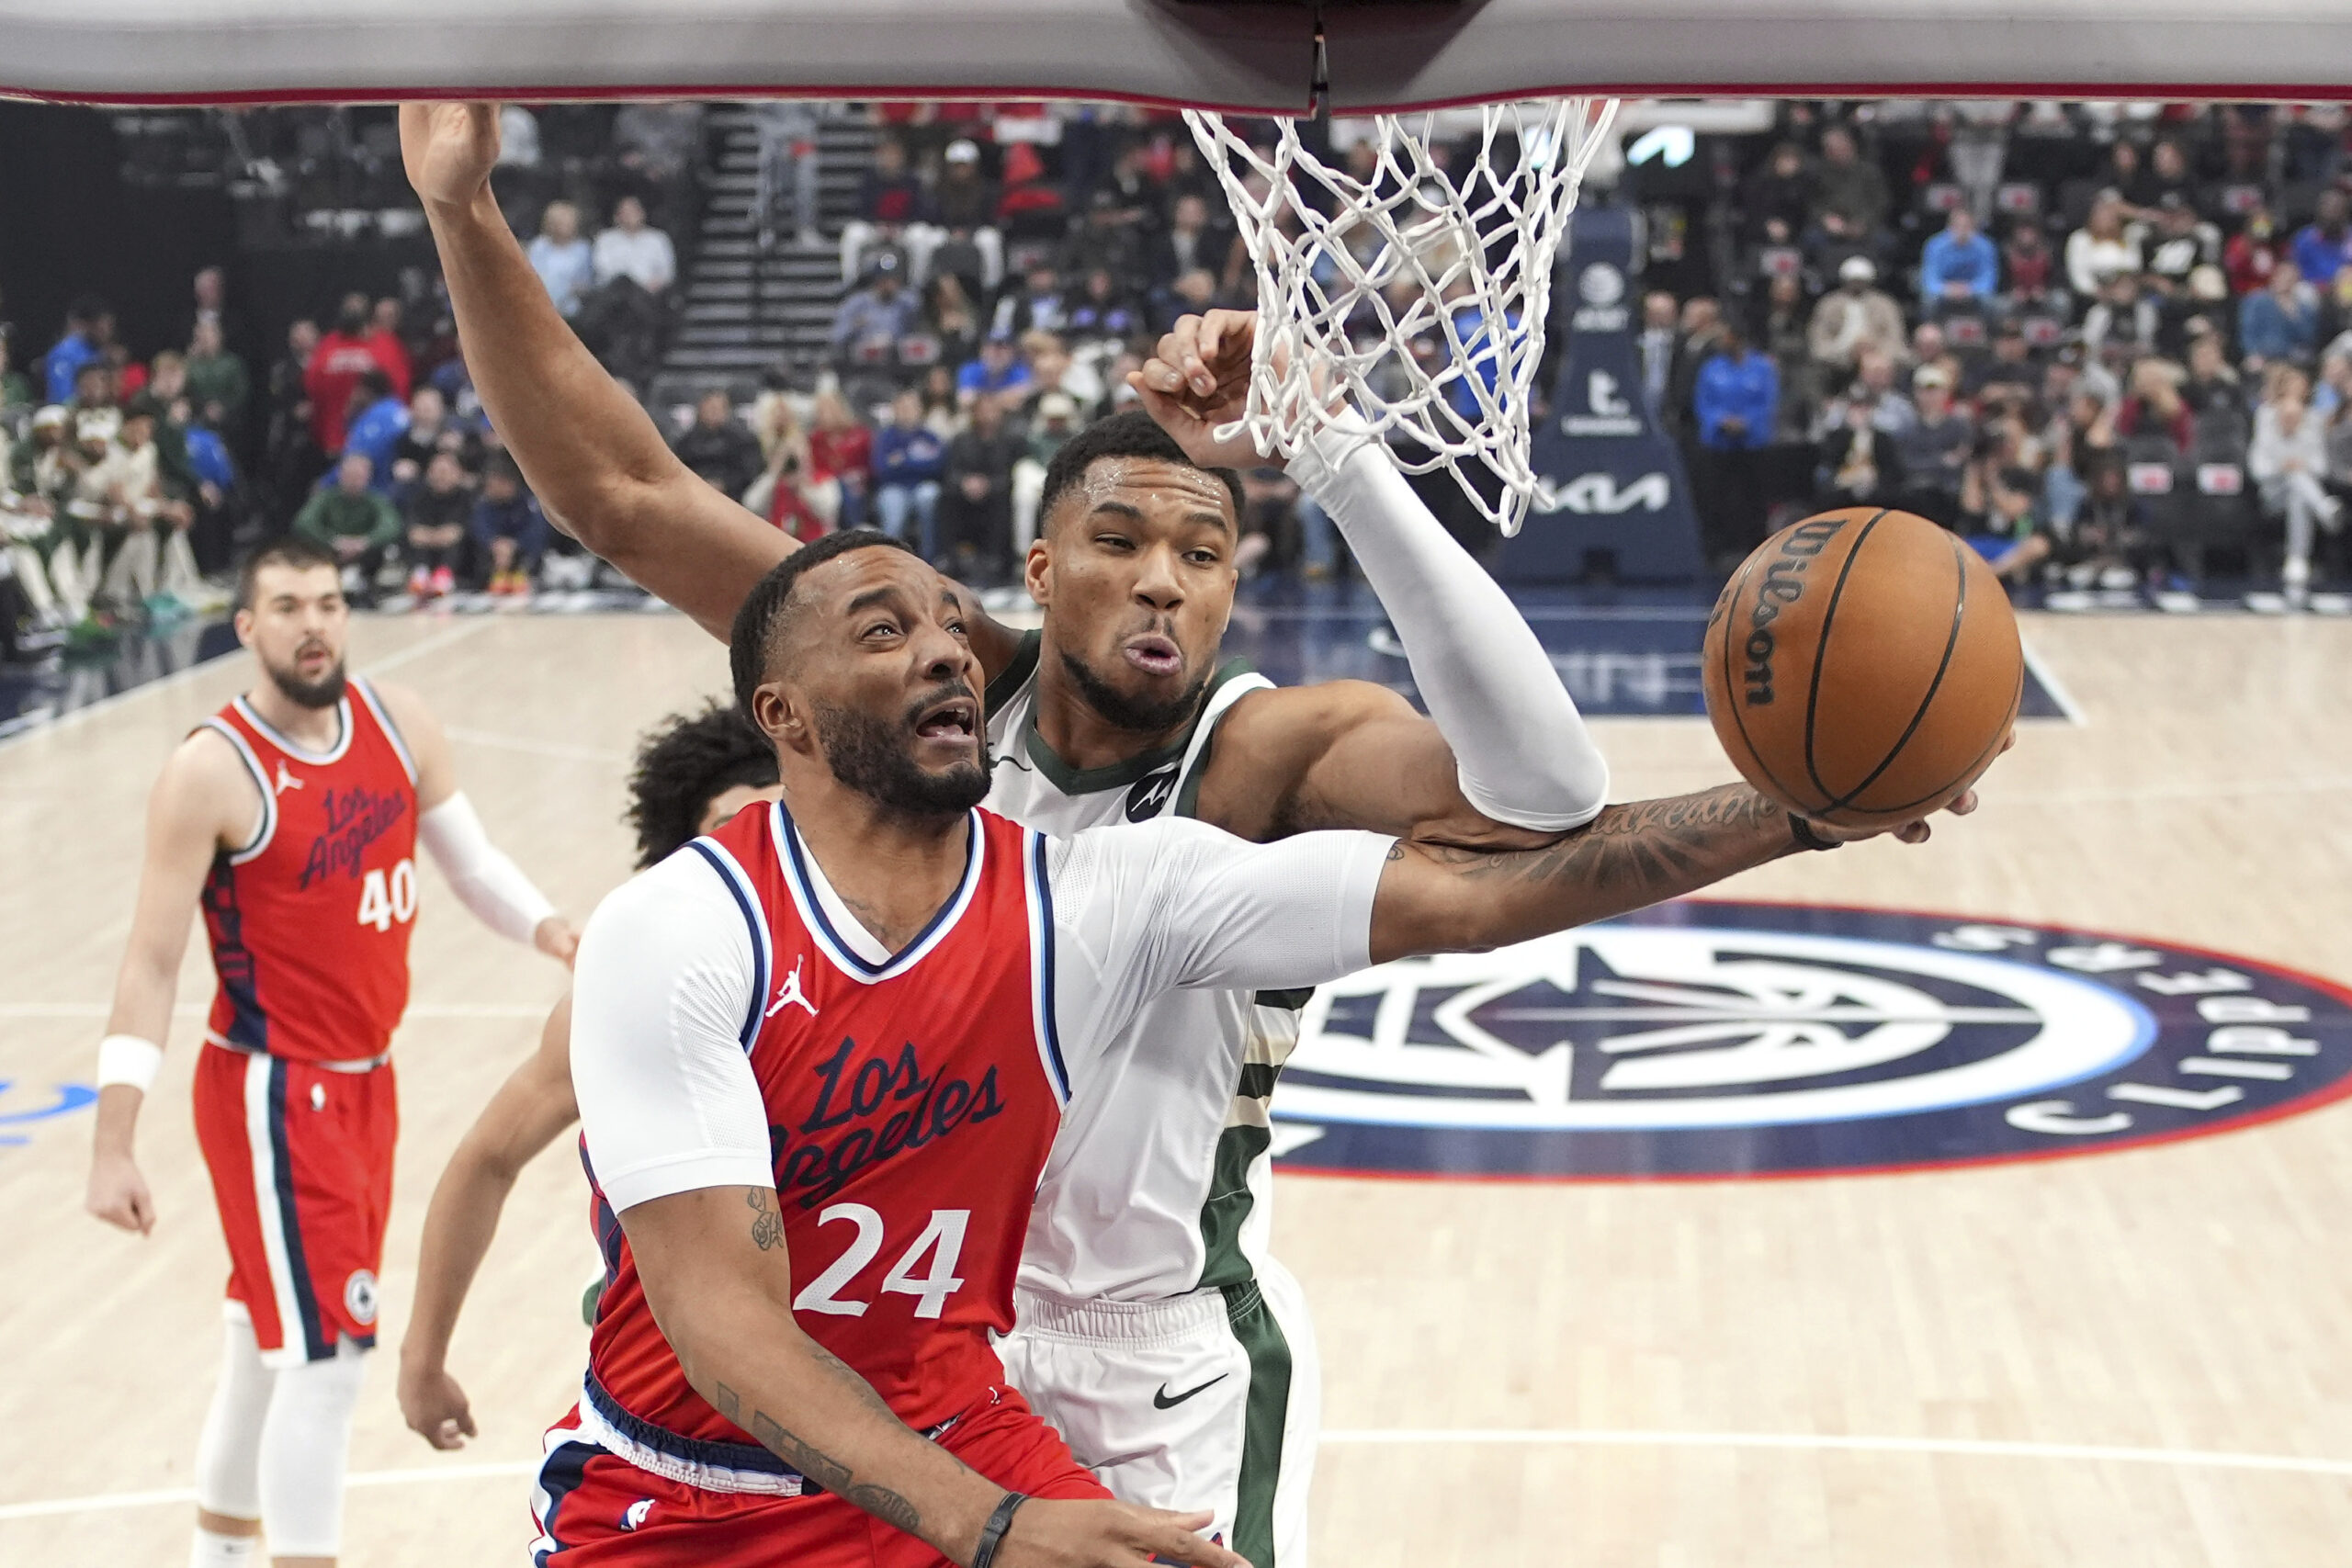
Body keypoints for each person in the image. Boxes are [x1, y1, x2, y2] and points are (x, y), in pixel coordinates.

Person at [401, 101, 1751, 1565]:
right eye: (1121, 544)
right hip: (915, 1356)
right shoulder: (939, 678)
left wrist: (1327, 439)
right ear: (1043, 570)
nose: (1162, 580)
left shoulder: (1268, 751)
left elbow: (1547, 795)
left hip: (1146, 1353)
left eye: (1203, 550)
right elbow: (628, 496)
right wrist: (465, 210)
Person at [532, 523, 1982, 1566]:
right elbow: (724, 1332)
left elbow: (1471, 897)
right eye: (881, 630)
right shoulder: (680, 931)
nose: (942, 650)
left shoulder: (1098, 894)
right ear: (778, 714)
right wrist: (995, 1523)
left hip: (953, 1423)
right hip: (694, 1488)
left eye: (947, 622)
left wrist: (1794, 811)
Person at [83, 536, 574, 1568]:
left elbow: (471, 864)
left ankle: (214, 1557)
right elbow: (151, 962)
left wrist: (554, 932)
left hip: (365, 1080)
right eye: (289, 607)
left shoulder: (399, 725)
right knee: (332, 1357)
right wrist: (113, 1142)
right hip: (271, 1089)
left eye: (330, 602)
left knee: (264, 1355)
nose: (315, 623)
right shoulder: (211, 770)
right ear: (248, 629)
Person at [399, 701, 784, 1452]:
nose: (757, 850)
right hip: (669, 1404)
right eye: (730, 828)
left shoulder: (885, 977)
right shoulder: (622, 1000)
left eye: (776, 825)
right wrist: (422, 1353)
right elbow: (486, 1158)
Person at [294, 454, 402, 604]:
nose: (354, 481)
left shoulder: (376, 500)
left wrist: (365, 542)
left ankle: (365, 592)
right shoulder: (326, 497)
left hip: (364, 554)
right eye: (350, 475)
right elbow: (304, 522)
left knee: (381, 551)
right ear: (341, 475)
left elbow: (392, 525)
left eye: (358, 476)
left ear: (367, 477)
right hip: (331, 551)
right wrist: (333, 541)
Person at [872, 389, 946, 554]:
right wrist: (918, 464)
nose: (907, 412)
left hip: (923, 486)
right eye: (902, 408)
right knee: (893, 506)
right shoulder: (885, 437)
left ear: (920, 410)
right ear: (895, 410)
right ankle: (889, 559)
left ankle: (930, 558)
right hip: (893, 487)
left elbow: (937, 467)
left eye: (911, 407)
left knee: (929, 496)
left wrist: (903, 461)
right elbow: (881, 470)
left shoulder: (929, 437)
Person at [1919, 207, 1999, 317]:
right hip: (1944, 292)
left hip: (1972, 292)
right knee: (1929, 301)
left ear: (1974, 228)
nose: (1962, 230)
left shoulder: (1986, 246)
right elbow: (1929, 280)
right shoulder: (1934, 245)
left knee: (1989, 301)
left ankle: (1989, 333)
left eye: (1967, 226)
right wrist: (1947, 289)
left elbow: (1988, 279)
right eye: (1958, 226)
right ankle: (1930, 331)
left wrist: (1969, 289)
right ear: (1949, 227)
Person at [527, 200, 596, 317]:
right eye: (560, 223)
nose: (565, 227)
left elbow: (587, 283)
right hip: (540, 307)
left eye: (569, 223)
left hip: (572, 311)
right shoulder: (539, 246)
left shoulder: (583, 249)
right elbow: (531, 277)